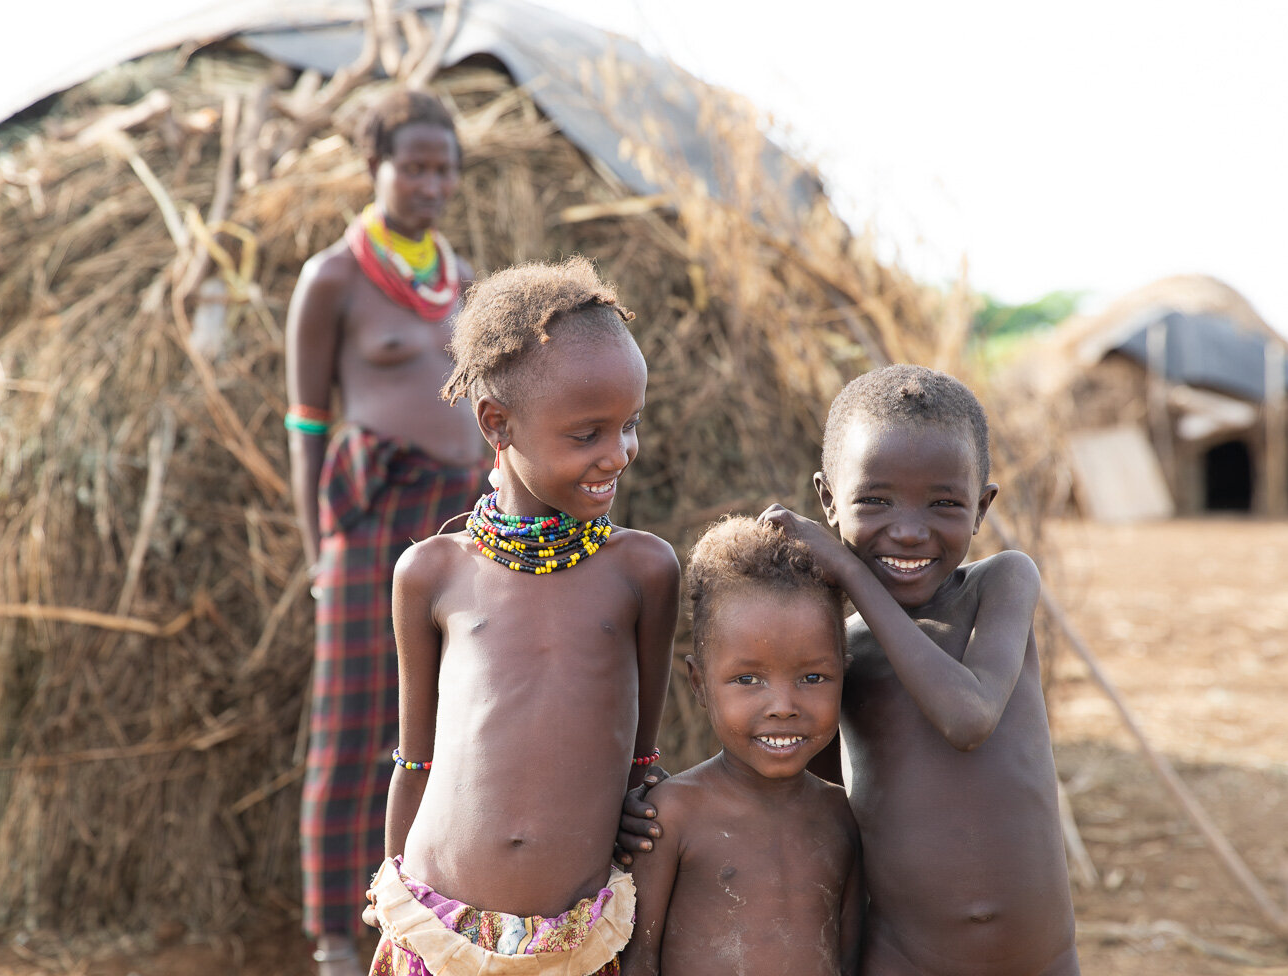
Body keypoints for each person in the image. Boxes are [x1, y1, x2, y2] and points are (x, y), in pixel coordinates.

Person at [622, 364, 1079, 976]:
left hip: (1038, 961)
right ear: (829, 501)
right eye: (875, 500)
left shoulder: (1000, 585)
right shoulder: (836, 659)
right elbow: (787, 780)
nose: (910, 531)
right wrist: (655, 804)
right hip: (901, 960)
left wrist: (848, 568)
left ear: (982, 506)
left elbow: (968, 717)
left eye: (944, 502)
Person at [363, 256, 681, 976]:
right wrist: (390, 899)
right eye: (588, 434)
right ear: (497, 424)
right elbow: (415, 761)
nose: (618, 455)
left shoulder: (643, 572)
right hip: (436, 927)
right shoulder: (431, 575)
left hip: (577, 937)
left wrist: (637, 801)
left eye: (629, 426)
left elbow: (641, 763)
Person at [286, 87, 484, 976]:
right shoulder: (332, 277)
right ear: (375, 167)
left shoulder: (465, 280)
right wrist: (317, 548)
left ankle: (428, 913)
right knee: (350, 722)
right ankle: (336, 934)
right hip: (368, 522)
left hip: (457, 521)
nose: (430, 183)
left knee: (447, 721)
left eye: (444, 168)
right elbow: (306, 421)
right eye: (413, 165)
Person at [620, 516, 862, 976]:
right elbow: (639, 962)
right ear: (699, 683)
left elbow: (848, 959)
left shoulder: (843, 816)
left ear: (844, 677)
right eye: (748, 679)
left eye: (813, 678)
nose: (783, 706)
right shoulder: (670, 815)